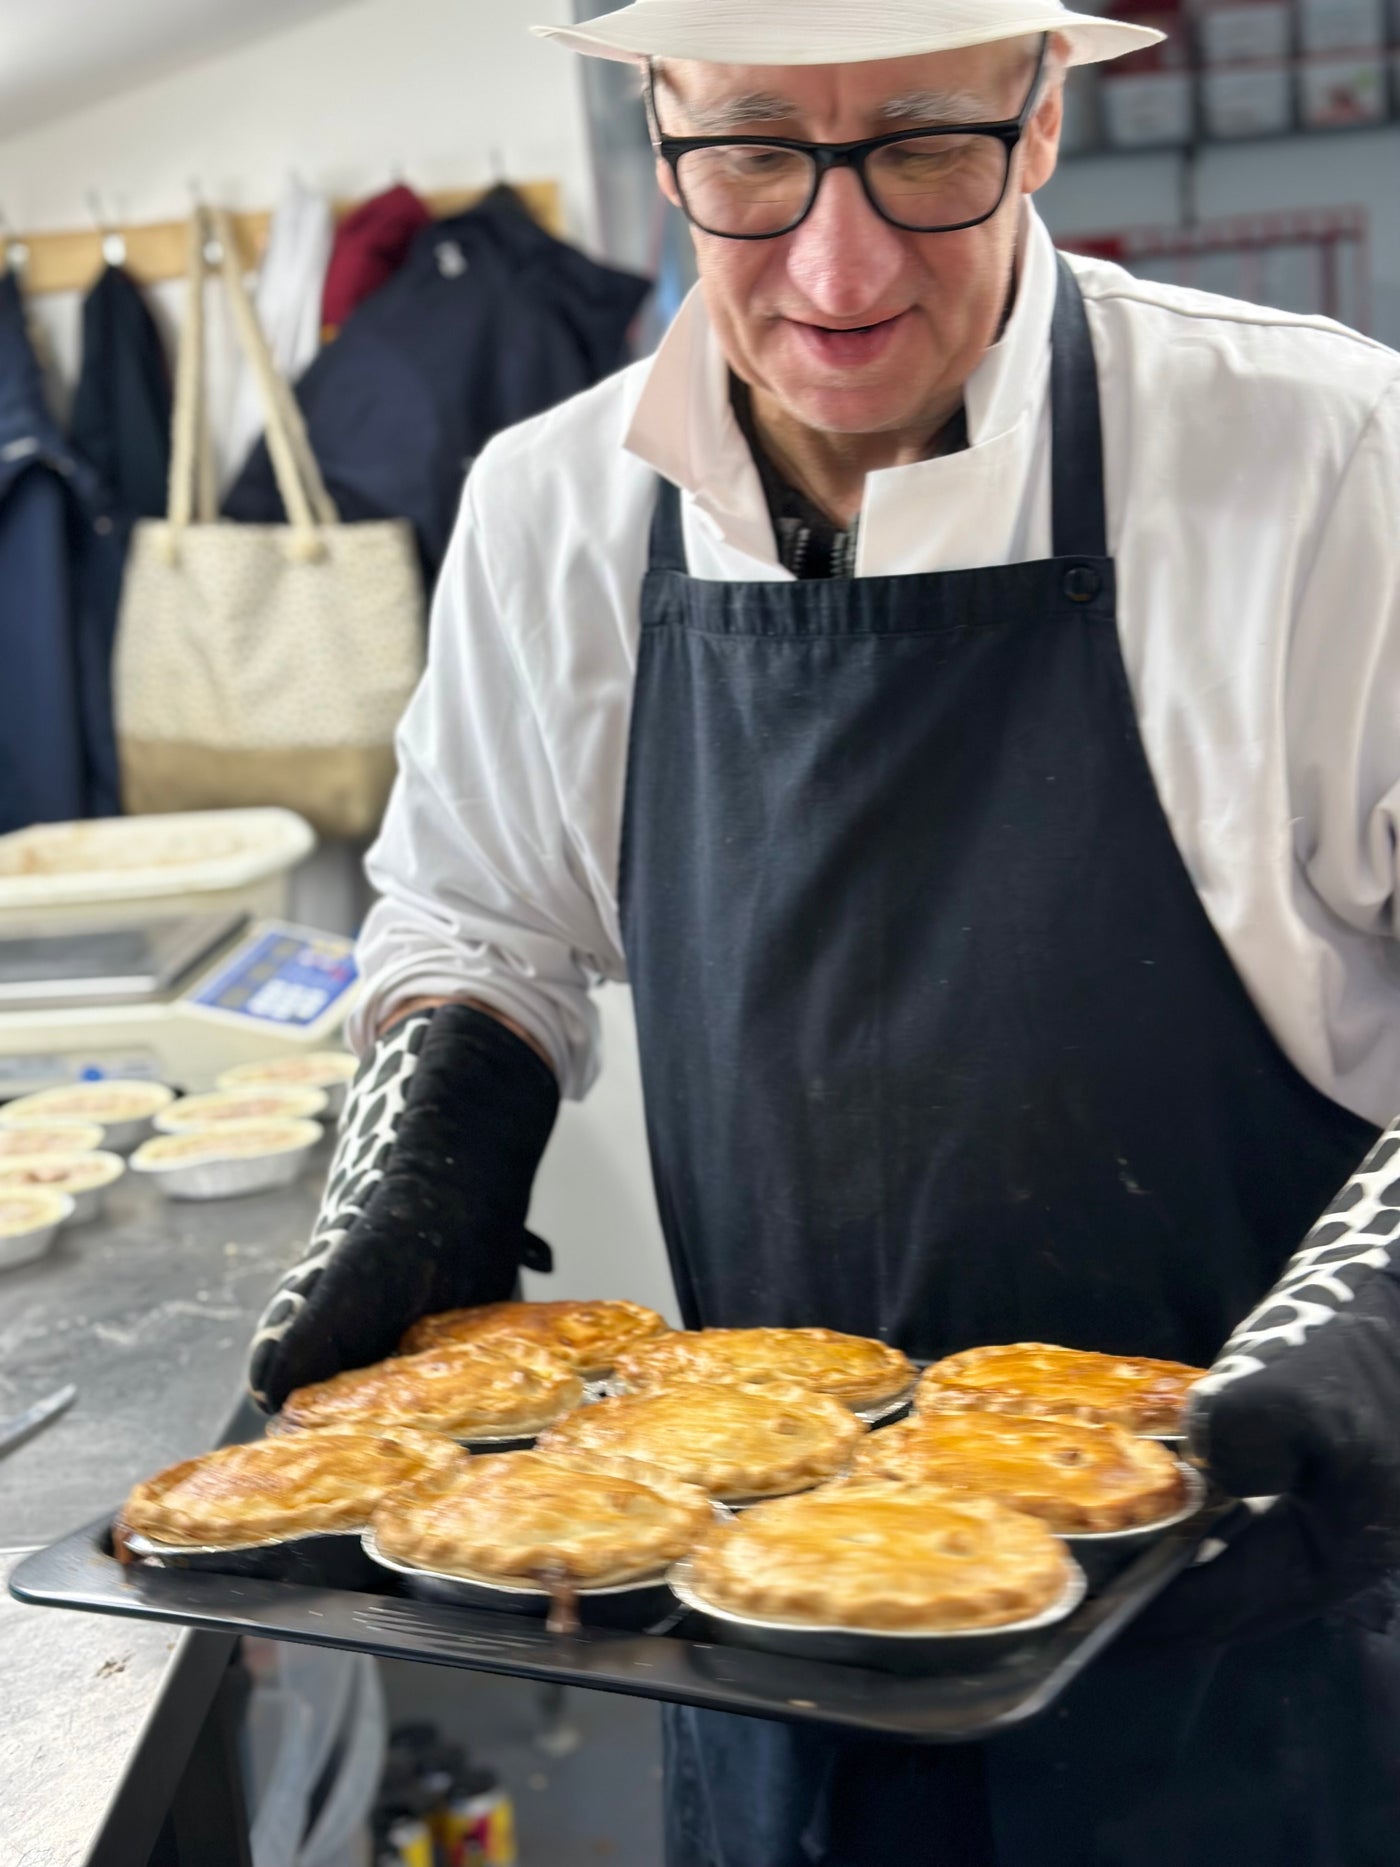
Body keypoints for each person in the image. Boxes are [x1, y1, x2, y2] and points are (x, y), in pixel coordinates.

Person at [247, 2, 1400, 1860]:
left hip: (1254, 1639)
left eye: (928, 148)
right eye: (755, 151)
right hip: (760, 1639)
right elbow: (477, 910)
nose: (836, 263)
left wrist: (1383, 1315)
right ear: (654, 119)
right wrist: (433, 1143)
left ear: (1040, 121)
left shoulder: (1329, 456)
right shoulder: (551, 508)